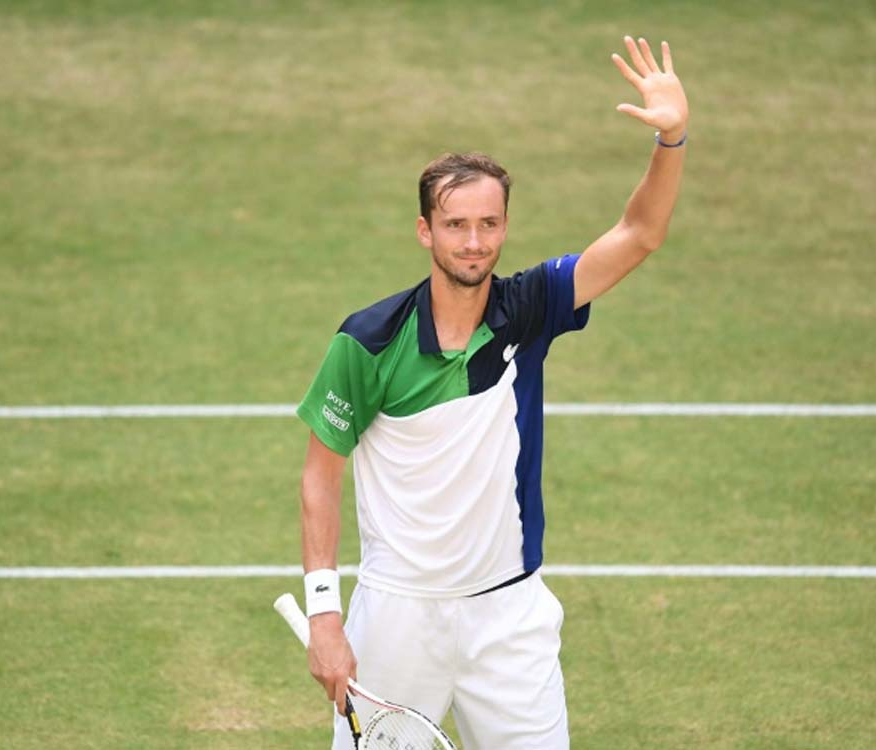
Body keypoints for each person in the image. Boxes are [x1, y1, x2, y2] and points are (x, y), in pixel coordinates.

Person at [294, 36, 688, 750]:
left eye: (488, 224)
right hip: (396, 619)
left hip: (509, 617)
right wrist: (326, 615)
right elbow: (321, 474)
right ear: (425, 231)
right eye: (455, 225)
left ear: (504, 225)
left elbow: (640, 232)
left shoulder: (532, 307)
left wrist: (672, 138)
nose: (474, 242)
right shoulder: (368, 340)